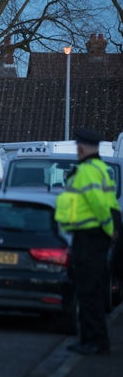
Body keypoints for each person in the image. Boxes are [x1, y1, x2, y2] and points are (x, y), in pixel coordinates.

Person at [55, 129, 121, 356]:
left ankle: (94, 341)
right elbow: (109, 205)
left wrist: (109, 229)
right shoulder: (102, 169)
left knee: (87, 292)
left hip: (90, 237)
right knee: (91, 291)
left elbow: (99, 205)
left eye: (77, 147)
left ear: (81, 148)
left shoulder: (86, 172)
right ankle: (89, 340)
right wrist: (111, 230)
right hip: (95, 237)